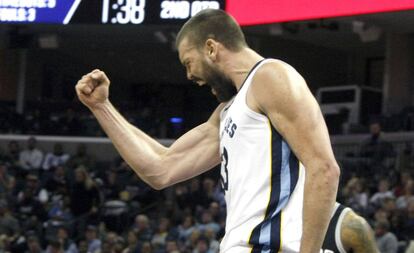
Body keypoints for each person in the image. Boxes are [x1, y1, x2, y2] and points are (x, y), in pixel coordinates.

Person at [75, 9, 340, 252]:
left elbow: (324, 169)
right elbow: (161, 169)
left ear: (211, 48)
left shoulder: (271, 76)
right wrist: (102, 107)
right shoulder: (226, 112)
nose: (190, 76)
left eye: (188, 62)